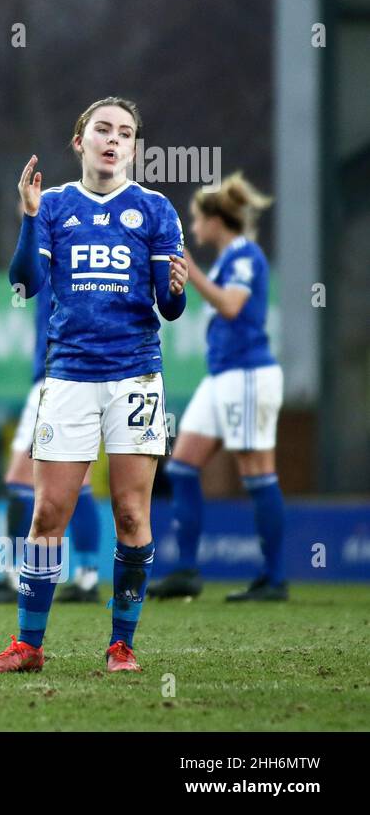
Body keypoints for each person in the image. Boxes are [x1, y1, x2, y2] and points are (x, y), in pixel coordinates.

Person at [0, 97, 187, 674]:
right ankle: (28, 645)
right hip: (68, 375)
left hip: (136, 375)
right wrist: (26, 216)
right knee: (48, 513)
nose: (113, 140)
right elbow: (25, 283)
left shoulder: (155, 209)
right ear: (80, 141)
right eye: (103, 130)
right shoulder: (54, 206)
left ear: (134, 147)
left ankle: (122, 644)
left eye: (125, 132)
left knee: (129, 512)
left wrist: (174, 287)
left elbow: (171, 308)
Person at [150, 173, 287, 602]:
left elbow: (230, 305)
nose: (193, 228)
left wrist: (191, 274)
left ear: (215, 220)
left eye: (197, 220)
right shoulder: (230, 258)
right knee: (182, 466)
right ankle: (188, 570)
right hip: (222, 376)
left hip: (248, 374)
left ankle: (274, 578)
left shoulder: (245, 256)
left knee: (257, 473)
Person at [0, 276, 102, 605]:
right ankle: (87, 578)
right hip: (79, 378)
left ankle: (15, 577)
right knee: (80, 482)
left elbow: (22, 277)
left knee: (19, 481)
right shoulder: (83, 253)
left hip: (57, 379)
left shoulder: (57, 247)